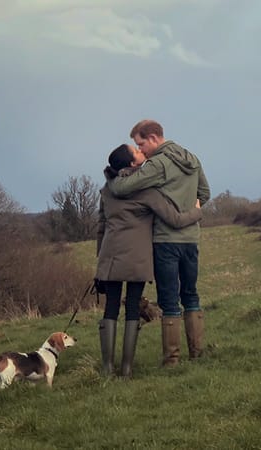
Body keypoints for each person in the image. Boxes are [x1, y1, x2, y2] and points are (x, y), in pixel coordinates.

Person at [106, 119, 209, 367]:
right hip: (191, 238)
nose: (141, 150)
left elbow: (123, 188)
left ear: (153, 138)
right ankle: (197, 354)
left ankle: (172, 360)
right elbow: (204, 194)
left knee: (169, 299)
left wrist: (110, 177)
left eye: (140, 144)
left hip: (165, 239)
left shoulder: (158, 164)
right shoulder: (192, 158)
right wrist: (191, 210)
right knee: (191, 295)